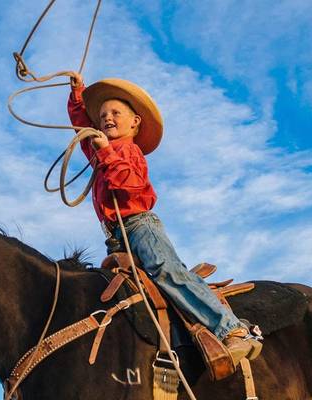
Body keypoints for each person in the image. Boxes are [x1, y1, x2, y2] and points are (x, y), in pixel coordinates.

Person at [67, 73, 262, 366]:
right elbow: (82, 126)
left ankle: (231, 329)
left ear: (135, 123)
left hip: (139, 227)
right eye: (103, 114)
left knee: (166, 271)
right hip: (116, 238)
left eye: (115, 113)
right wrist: (77, 94)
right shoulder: (101, 153)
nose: (107, 118)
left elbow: (129, 185)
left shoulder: (129, 152)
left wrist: (105, 151)